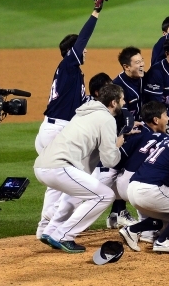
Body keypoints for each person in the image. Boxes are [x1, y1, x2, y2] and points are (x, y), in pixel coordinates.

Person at [34, 0, 108, 240]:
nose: (85, 51)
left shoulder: (73, 74)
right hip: (56, 133)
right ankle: (56, 230)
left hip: (54, 131)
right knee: (75, 180)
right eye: (80, 48)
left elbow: (80, 104)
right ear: (71, 51)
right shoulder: (68, 65)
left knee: (58, 184)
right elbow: (83, 39)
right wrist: (96, 10)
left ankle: (46, 228)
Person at [34, 84, 125, 253]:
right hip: (58, 167)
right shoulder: (107, 119)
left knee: (77, 193)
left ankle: (50, 231)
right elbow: (109, 160)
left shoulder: (84, 112)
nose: (124, 102)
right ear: (113, 103)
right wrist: (117, 144)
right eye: (122, 99)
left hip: (42, 166)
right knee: (105, 195)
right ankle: (64, 235)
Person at [120, 112, 169, 253]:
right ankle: (163, 241)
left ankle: (132, 229)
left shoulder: (164, 140)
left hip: (133, 188)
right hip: (150, 190)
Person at [115, 101, 169, 244]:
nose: (168, 118)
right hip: (137, 186)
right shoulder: (163, 138)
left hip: (122, 181)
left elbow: (121, 158)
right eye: (165, 115)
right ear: (156, 120)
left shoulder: (136, 131)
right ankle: (161, 226)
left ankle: (147, 231)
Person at [113, 47, 145, 120]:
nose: (142, 64)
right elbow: (120, 114)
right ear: (127, 67)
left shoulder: (147, 78)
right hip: (128, 126)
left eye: (142, 61)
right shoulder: (118, 86)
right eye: (137, 62)